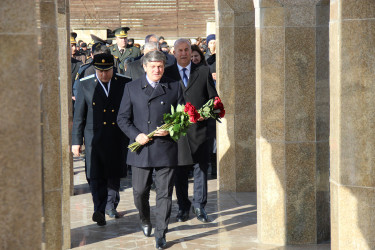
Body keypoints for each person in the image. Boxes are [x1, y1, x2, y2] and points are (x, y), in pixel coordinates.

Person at [117, 50, 183, 249]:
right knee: (139, 192)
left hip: (165, 148)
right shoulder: (132, 88)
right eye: (153, 66)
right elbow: (122, 118)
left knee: (164, 193)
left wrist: (171, 129)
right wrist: (136, 135)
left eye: (160, 66)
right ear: (144, 67)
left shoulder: (174, 86)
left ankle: (161, 233)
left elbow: (182, 117)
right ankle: (145, 219)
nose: (157, 70)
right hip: (141, 149)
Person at [71, 53, 131, 226]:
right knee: (95, 174)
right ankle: (99, 209)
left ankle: (111, 205)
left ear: (113, 68)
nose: (104, 75)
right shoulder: (85, 84)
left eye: (107, 71)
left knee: (113, 173)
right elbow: (79, 115)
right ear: (95, 69)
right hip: (93, 137)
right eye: (100, 71)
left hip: (116, 135)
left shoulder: (124, 83)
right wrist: (76, 141)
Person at [164, 39, 218, 223]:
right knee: (180, 172)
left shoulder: (203, 72)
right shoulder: (167, 74)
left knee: (201, 168)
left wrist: (206, 112)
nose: (184, 53)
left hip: (199, 131)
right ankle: (183, 207)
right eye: (180, 50)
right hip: (177, 133)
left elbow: (214, 99)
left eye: (187, 49)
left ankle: (199, 206)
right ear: (174, 52)